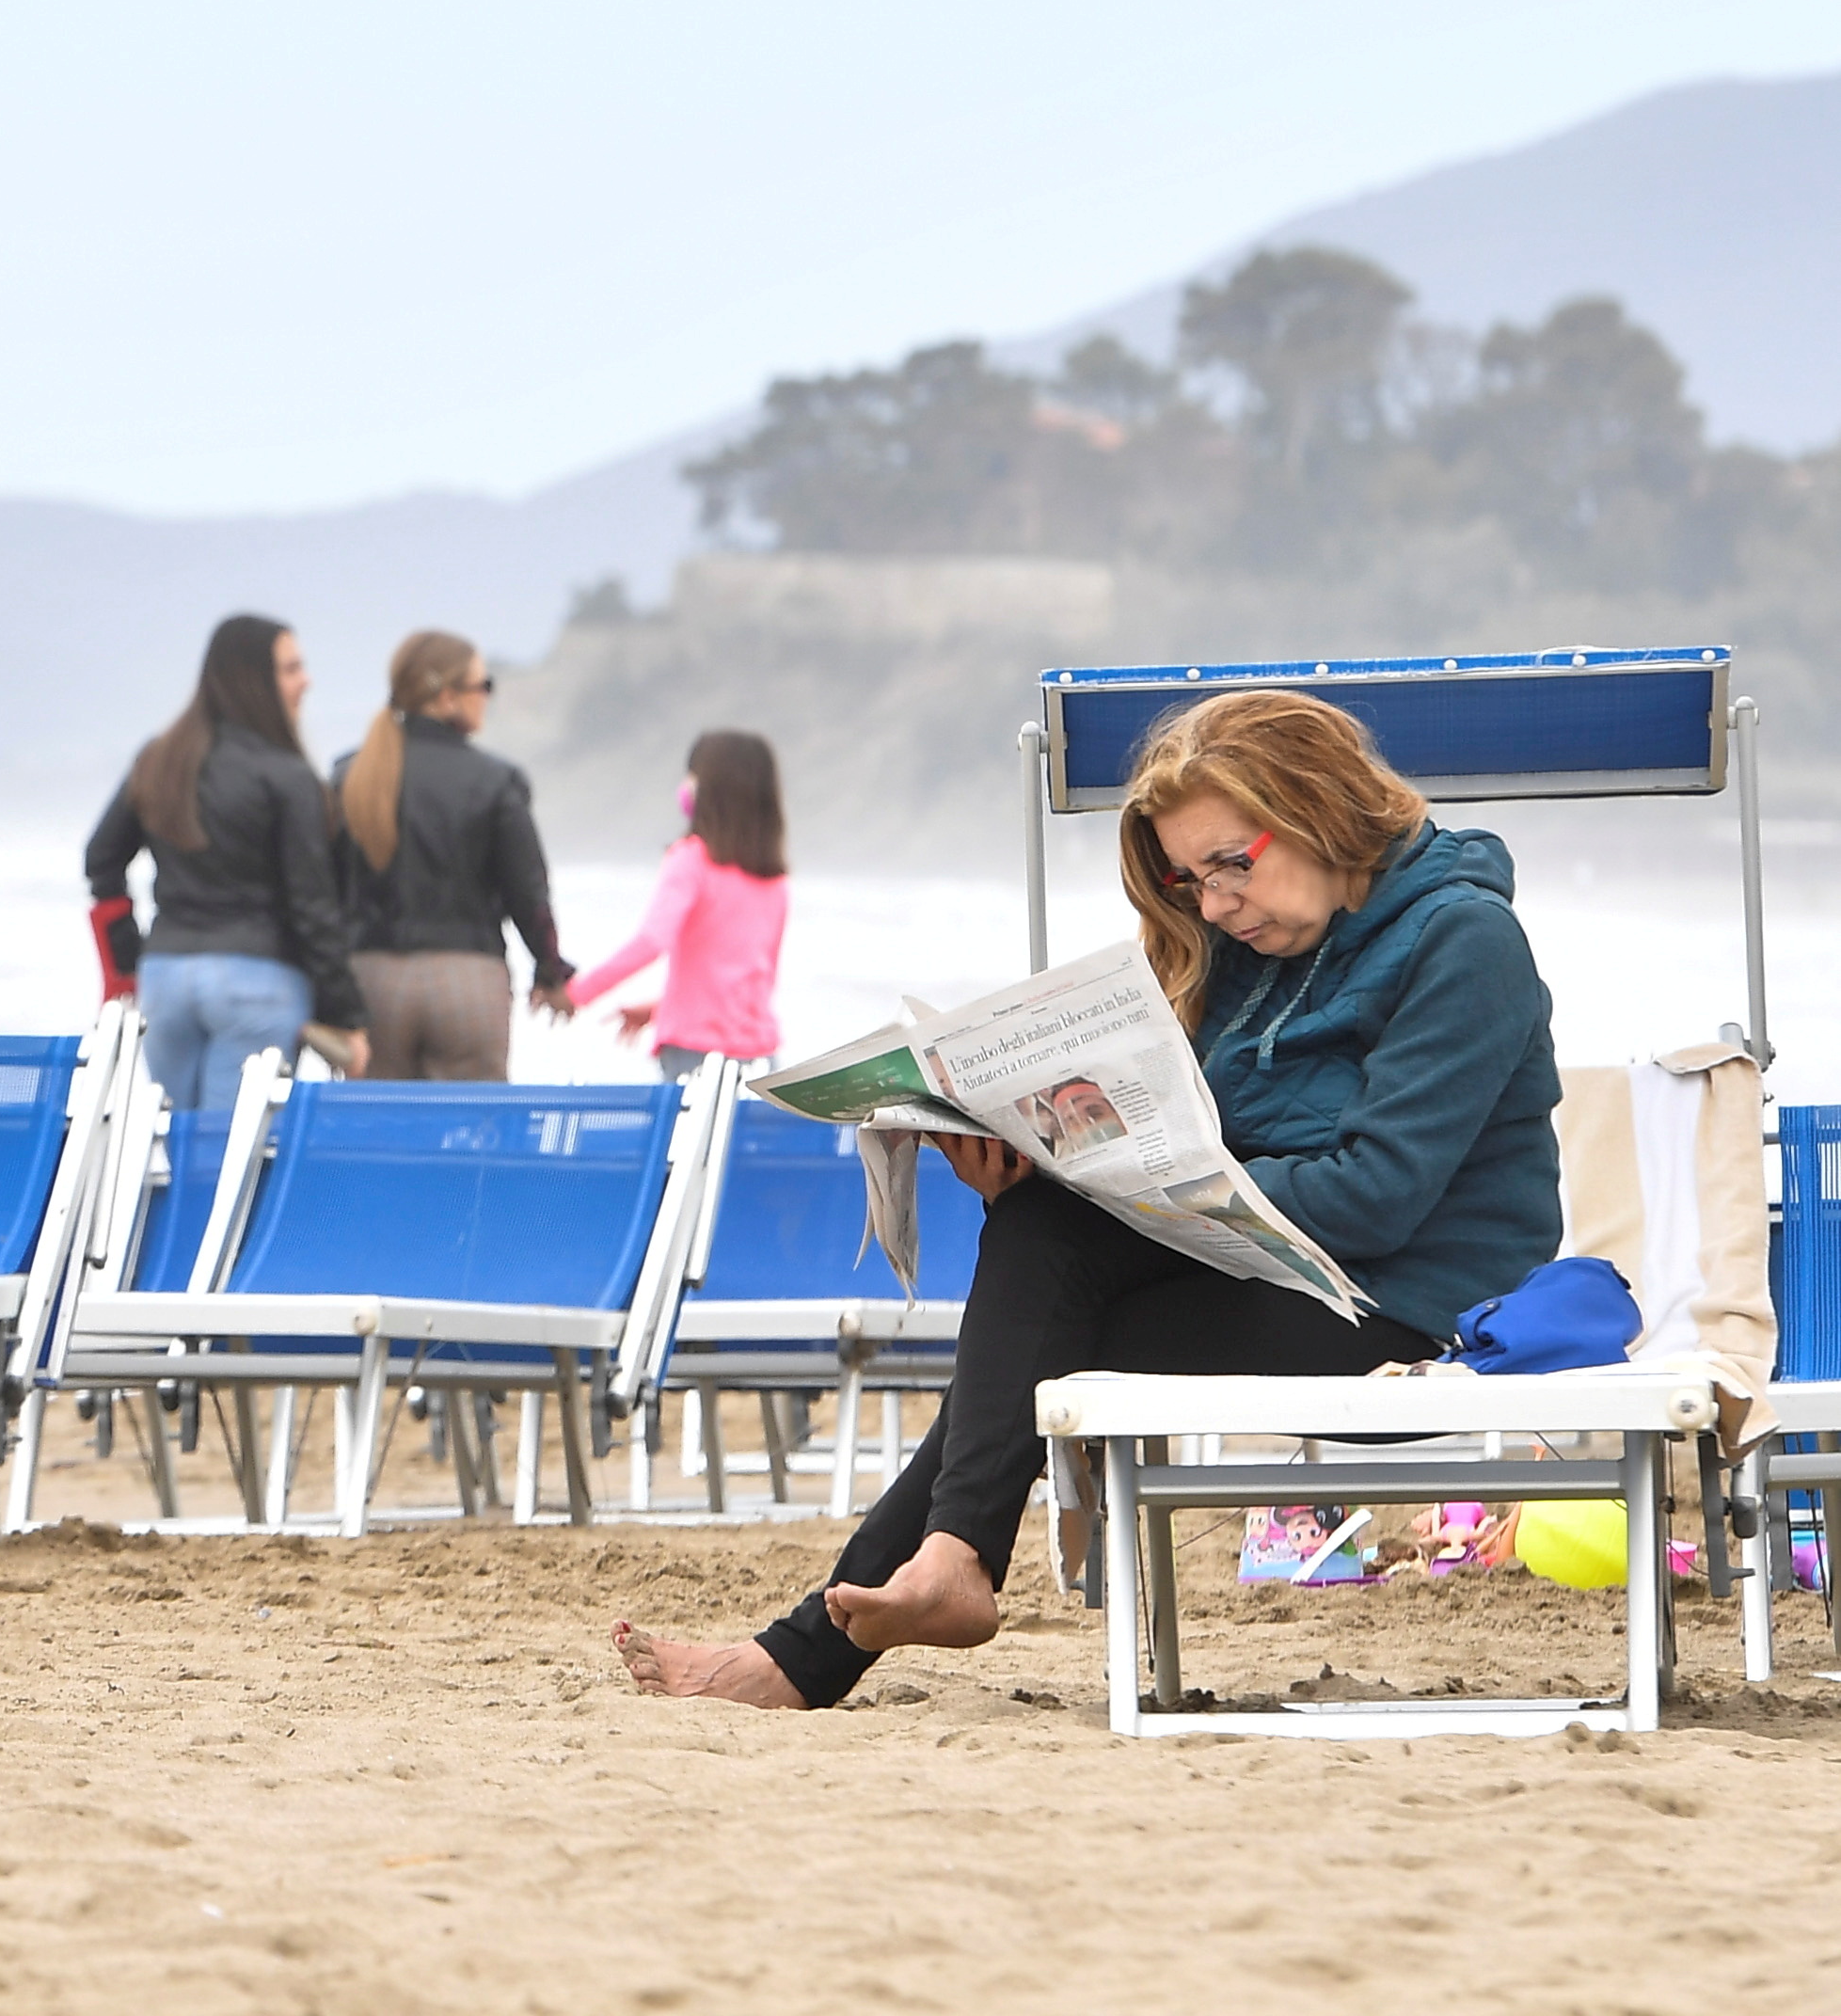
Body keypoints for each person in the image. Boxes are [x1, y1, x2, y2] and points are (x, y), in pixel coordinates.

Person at [615, 686, 1563, 1709]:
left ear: (1321, 810)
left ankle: (845, 1630)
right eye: (1188, 879)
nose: (1212, 904)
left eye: (1229, 864)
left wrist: (1121, 1193)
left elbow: (1373, 1195)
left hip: (1415, 1313)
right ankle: (914, 1585)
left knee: (1050, 1278)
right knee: (1040, 1244)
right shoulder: (1248, 955)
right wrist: (1038, 1159)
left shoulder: (1464, 941)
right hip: (1277, 1275)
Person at [85, 615, 369, 1108]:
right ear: (253, 679)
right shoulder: (288, 775)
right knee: (228, 1156)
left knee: (169, 1145)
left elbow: (102, 859)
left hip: (167, 978)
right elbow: (313, 905)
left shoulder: (159, 760)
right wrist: (346, 1016)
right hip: (258, 981)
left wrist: (129, 960)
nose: (307, 681)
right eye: (292, 669)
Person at [330, 629, 570, 1081]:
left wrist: (326, 987)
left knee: (381, 1133)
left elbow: (322, 891)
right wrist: (550, 972)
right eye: (483, 686)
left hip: (371, 982)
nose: (487, 698)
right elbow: (528, 892)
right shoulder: (496, 781)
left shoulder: (349, 777)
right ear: (447, 698)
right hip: (468, 980)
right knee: (473, 1135)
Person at [553, 729, 790, 1075]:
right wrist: (661, 1009)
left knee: (686, 1132)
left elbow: (652, 941)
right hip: (761, 1059)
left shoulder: (691, 859)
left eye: (692, 775)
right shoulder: (774, 879)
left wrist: (577, 993)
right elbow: (750, 980)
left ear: (710, 790)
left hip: (695, 1056)